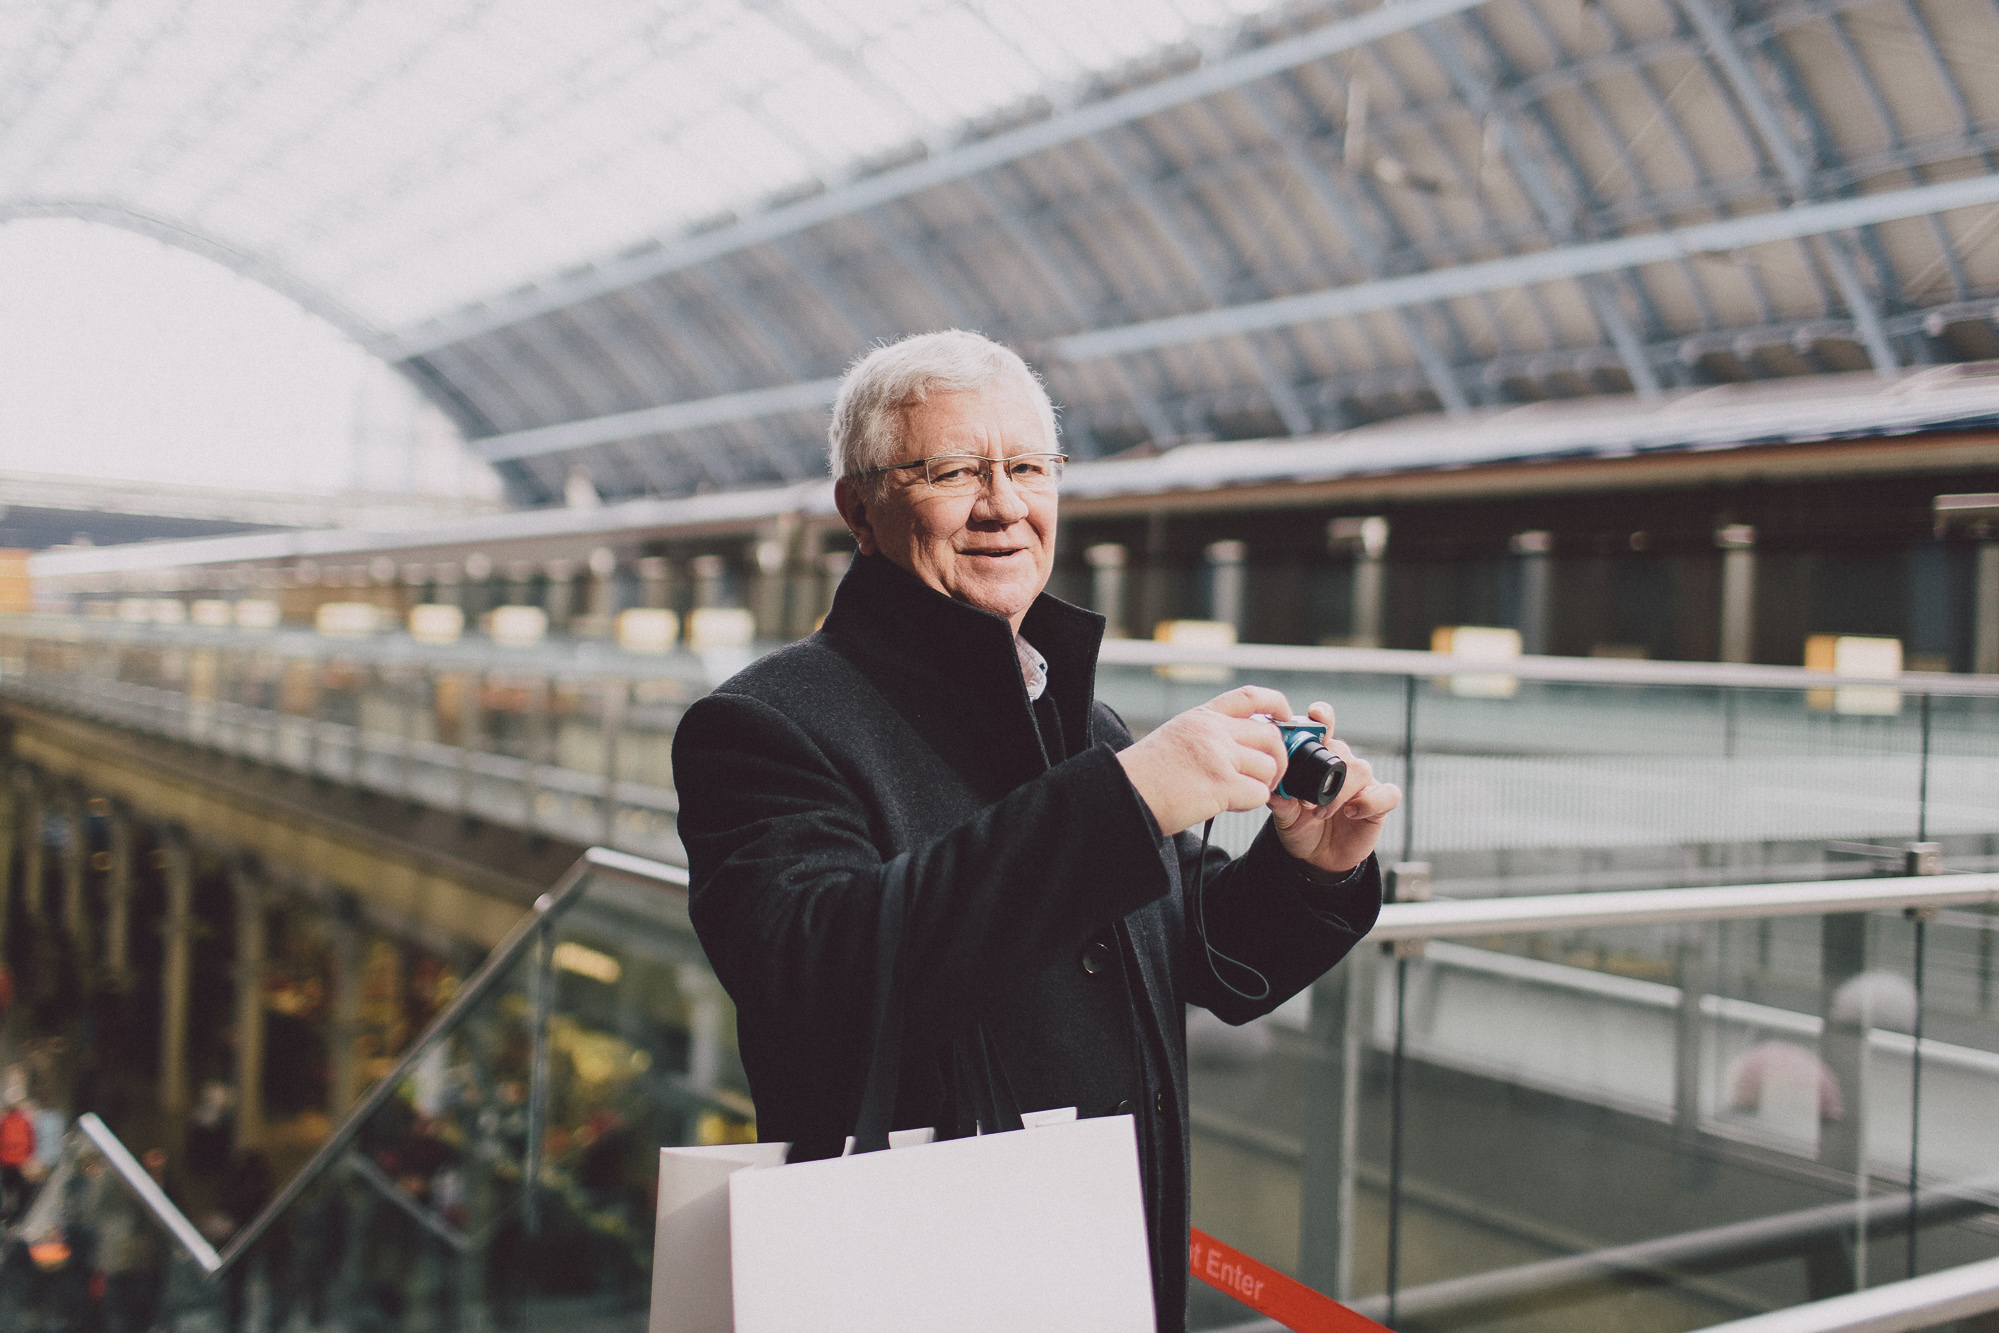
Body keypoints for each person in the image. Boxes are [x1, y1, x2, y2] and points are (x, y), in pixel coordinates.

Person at [670, 329, 1401, 1331]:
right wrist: (1129, 796)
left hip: (1108, 1269)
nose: (1004, 505)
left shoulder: (1077, 722)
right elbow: (816, 971)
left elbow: (1192, 954)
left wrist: (1306, 870)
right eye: (952, 471)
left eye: (1026, 467)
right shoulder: (764, 724)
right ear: (860, 511)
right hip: (913, 1282)